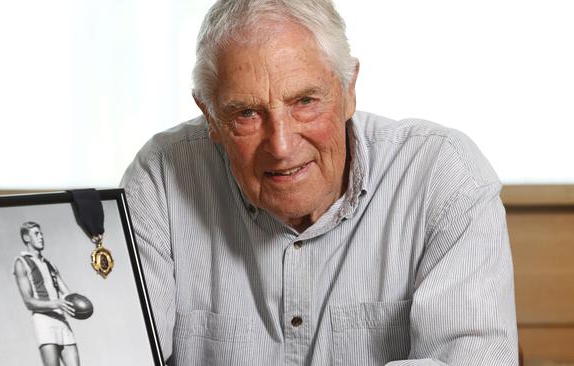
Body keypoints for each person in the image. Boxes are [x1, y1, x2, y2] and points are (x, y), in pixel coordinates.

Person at [121, 0, 518, 364]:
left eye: (305, 102)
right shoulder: (161, 179)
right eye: (247, 113)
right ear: (210, 116)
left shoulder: (444, 175)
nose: (281, 145)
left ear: (348, 91)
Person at [13, 221, 81, 366]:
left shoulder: (50, 265)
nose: (41, 237)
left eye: (41, 234)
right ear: (26, 238)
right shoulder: (21, 262)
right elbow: (28, 302)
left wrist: (78, 304)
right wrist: (56, 303)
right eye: (36, 234)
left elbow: (68, 294)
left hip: (61, 320)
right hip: (43, 321)